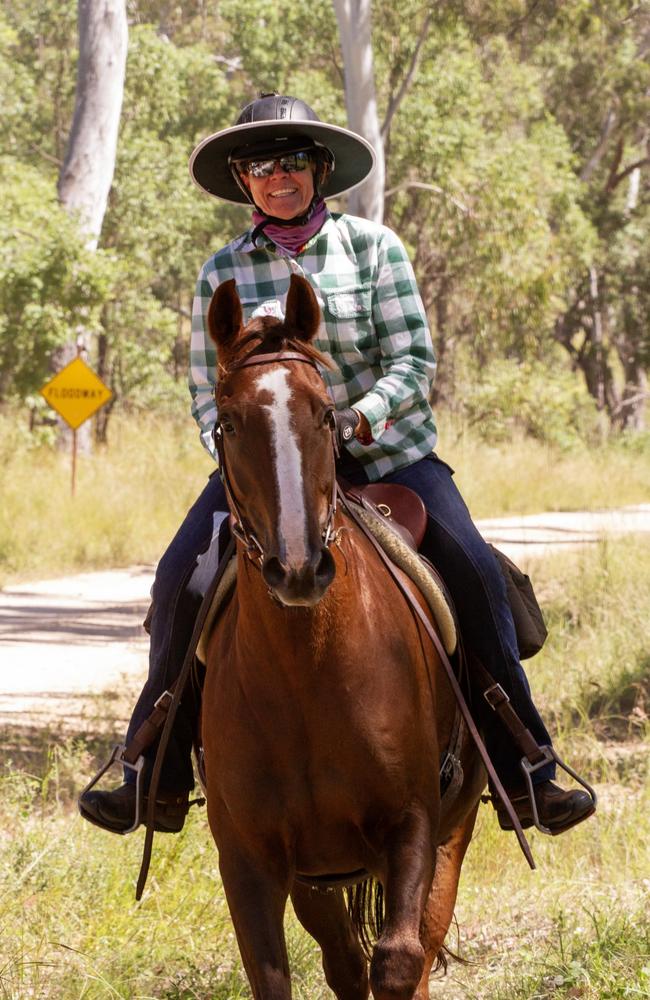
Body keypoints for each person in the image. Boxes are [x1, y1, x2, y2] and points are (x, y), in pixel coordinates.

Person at [79, 92, 595, 837]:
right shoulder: (219, 272)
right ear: (242, 177)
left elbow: (413, 359)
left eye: (293, 161)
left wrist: (358, 417)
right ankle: (147, 770)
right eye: (260, 164)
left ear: (320, 169)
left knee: (475, 570)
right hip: (267, 470)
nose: (277, 176)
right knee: (179, 579)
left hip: (384, 458)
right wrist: (237, 460)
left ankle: (527, 764)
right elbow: (205, 388)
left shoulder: (374, 248)